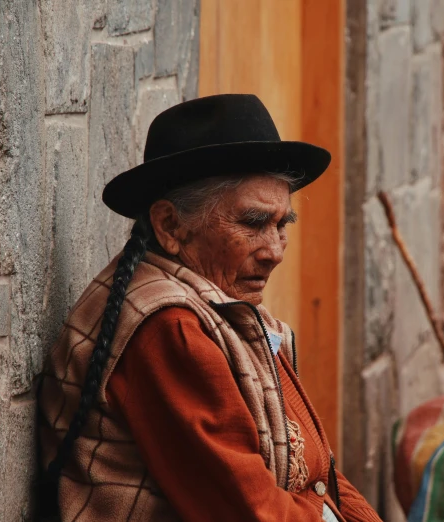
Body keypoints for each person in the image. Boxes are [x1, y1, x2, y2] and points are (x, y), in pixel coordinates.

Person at [38, 94, 383, 521]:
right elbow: (247, 512)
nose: (274, 251)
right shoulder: (169, 329)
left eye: (282, 226)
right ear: (170, 225)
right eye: (254, 223)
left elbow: (320, 476)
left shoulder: (227, 316)